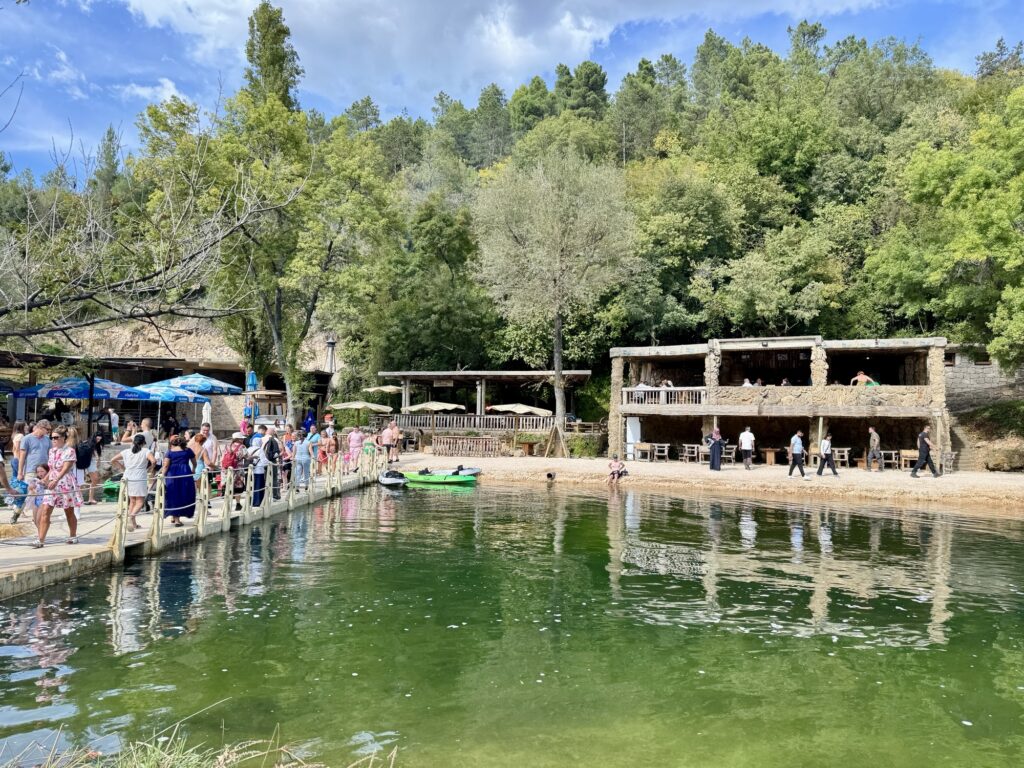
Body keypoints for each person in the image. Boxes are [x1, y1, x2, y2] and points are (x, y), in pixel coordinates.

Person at [34, 425, 81, 548]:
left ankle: (73, 535)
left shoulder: (69, 451)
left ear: (64, 438)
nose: (53, 440)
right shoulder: (52, 451)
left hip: (65, 482)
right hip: (52, 483)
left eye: (56, 437)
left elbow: (66, 469)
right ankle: (41, 540)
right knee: (45, 510)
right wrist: (44, 479)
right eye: (52, 437)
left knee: (68, 511)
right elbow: (52, 468)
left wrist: (56, 480)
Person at [111, 434, 154, 532]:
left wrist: (122, 468)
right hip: (139, 477)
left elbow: (112, 460)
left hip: (127, 477)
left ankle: (133, 524)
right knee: (140, 501)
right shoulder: (146, 451)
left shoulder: (126, 451)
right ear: (143, 443)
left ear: (133, 442)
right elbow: (154, 461)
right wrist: (149, 469)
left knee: (132, 501)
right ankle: (131, 517)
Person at [162, 435, 196, 527]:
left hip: (172, 474)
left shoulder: (170, 452)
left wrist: (162, 475)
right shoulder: (187, 451)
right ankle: (177, 519)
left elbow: (166, 465)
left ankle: (174, 516)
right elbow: (194, 462)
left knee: (173, 494)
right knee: (183, 494)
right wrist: (193, 469)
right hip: (185, 473)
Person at [18, 419, 52, 486]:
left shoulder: (48, 439)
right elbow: (22, 457)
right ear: (41, 427)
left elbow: (50, 455)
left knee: (45, 491)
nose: (49, 431)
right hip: (31, 470)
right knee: (31, 491)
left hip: (45, 471)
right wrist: (20, 473)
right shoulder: (26, 438)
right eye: (47, 429)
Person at [220, 433, 248, 510]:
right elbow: (247, 456)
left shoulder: (226, 446)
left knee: (227, 485)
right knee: (237, 486)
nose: (243, 439)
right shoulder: (242, 447)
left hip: (226, 469)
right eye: (241, 438)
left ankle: (226, 505)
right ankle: (238, 504)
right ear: (238, 439)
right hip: (237, 469)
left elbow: (222, 457)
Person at [262, 426, 282, 501]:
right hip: (272, 461)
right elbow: (279, 450)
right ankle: (275, 495)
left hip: (263, 461)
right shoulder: (275, 439)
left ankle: (265, 495)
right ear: (273, 432)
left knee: (264, 478)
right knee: (274, 478)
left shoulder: (262, 439)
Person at [84, 433, 104, 505]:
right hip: (88, 462)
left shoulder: (98, 445)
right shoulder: (88, 443)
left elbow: (98, 456)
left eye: (100, 439)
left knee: (95, 480)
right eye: (97, 439)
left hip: (93, 463)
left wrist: (98, 461)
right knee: (94, 479)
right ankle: (90, 498)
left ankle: (91, 498)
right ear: (94, 437)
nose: (98, 440)